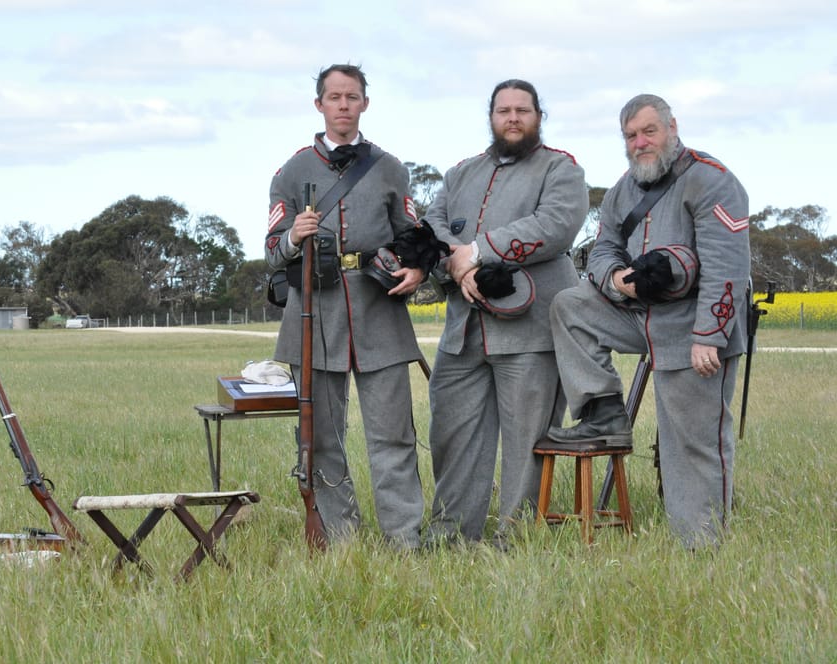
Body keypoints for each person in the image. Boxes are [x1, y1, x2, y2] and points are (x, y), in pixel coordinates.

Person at [547, 93, 750, 550]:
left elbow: (726, 268)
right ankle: (603, 413)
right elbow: (603, 248)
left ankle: (700, 547)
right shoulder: (623, 189)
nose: (640, 143)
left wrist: (708, 337)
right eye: (630, 136)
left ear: (672, 127)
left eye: (648, 131)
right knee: (570, 305)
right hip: (638, 312)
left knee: (692, 442)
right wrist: (616, 280)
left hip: (691, 327)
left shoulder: (712, 180)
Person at [265, 64, 427, 549]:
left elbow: (413, 236)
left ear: (364, 104)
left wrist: (417, 269)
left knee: (393, 434)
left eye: (351, 97)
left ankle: (404, 538)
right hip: (314, 313)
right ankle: (340, 539)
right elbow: (271, 250)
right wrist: (294, 237)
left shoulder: (390, 167)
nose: (343, 105)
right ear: (319, 104)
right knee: (322, 438)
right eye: (334, 97)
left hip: (380, 310)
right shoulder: (291, 171)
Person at [423, 79, 588, 547]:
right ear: (491, 116)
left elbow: (555, 225)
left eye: (522, 110)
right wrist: (457, 267)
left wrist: (475, 251)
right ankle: (451, 537)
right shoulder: (460, 174)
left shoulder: (561, 169)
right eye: (503, 110)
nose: (512, 118)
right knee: (451, 435)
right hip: (463, 331)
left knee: (527, 442)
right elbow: (432, 227)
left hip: (531, 330)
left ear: (539, 116)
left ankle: (516, 541)